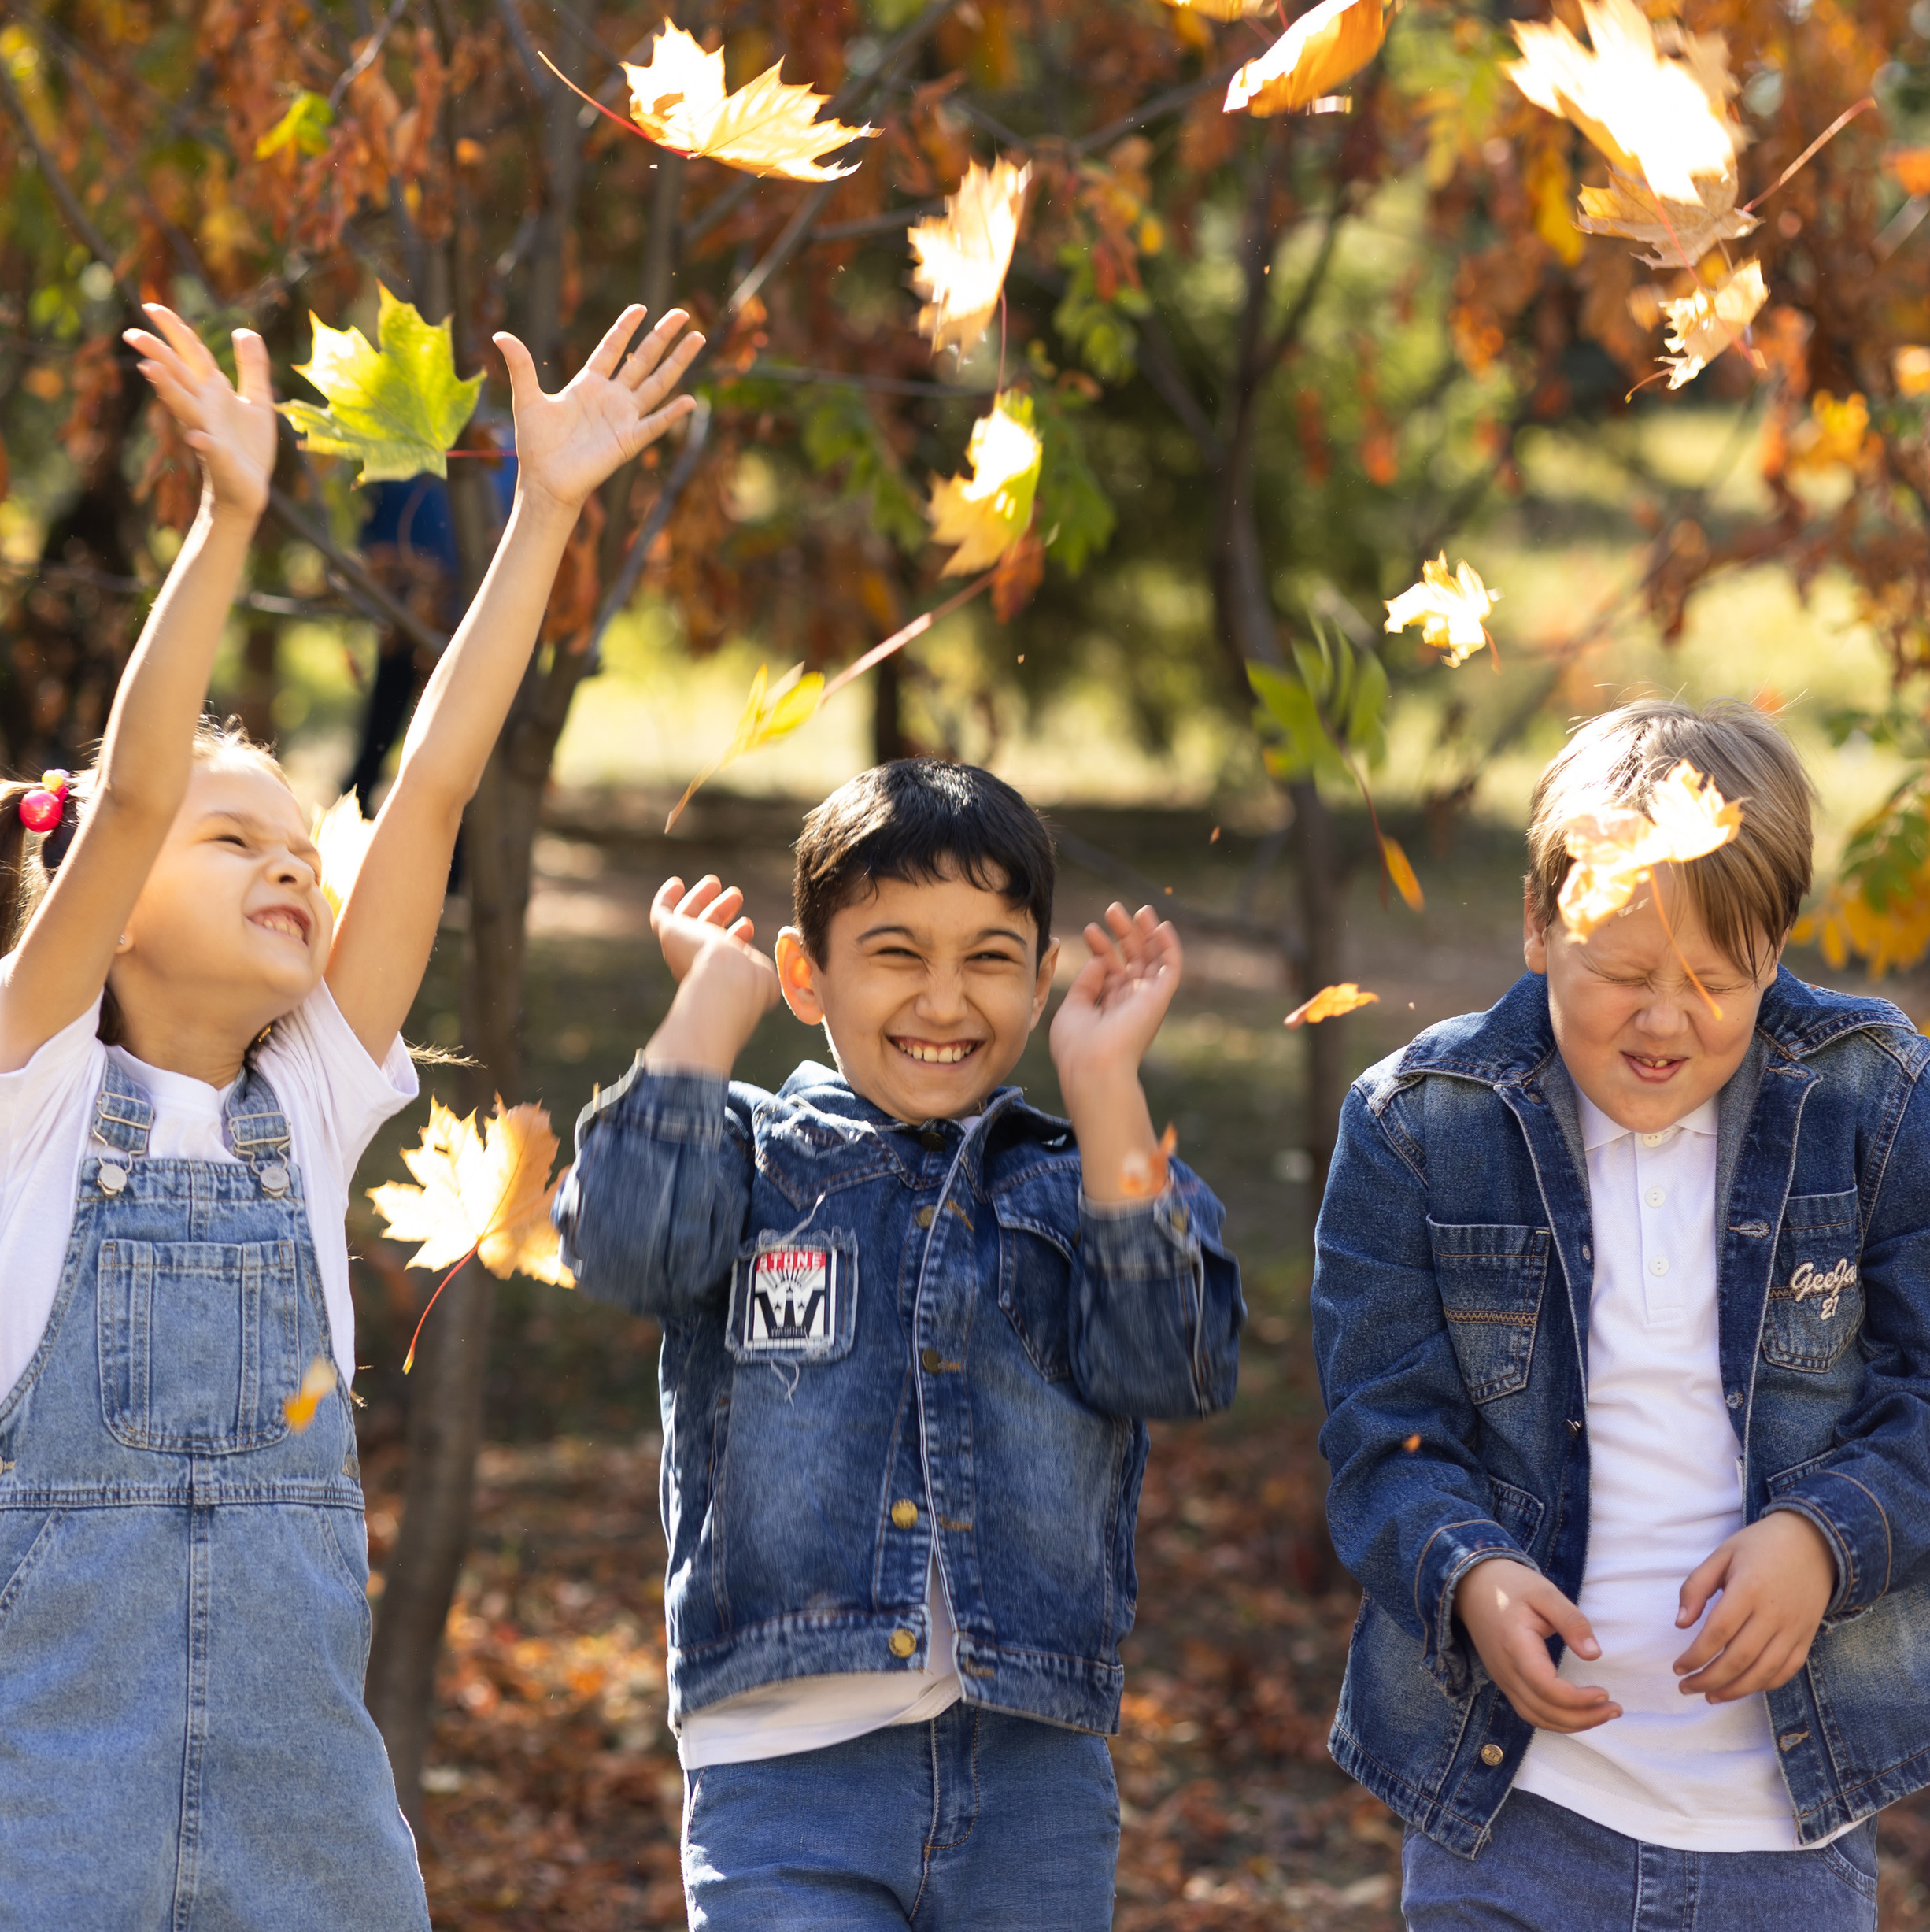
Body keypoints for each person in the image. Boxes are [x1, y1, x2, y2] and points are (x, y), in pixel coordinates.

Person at [0, 294, 704, 1931]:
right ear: (109, 902)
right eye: (236, 842)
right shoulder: (32, 1085)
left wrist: (548, 509)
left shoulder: (314, 1098)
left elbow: (429, 787)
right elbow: (132, 793)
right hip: (55, 1829)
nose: (289, 861)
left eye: (294, 843)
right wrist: (225, 522)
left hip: (310, 1833)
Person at [552, 761, 1244, 1931]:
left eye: (987, 956)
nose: (943, 998)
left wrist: (1103, 1083)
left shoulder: (1078, 1185)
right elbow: (622, 1245)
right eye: (895, 953)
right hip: (786, 1776)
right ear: (806, 974)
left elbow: (1172, 1363)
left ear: (1040, 981)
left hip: (1033, 1773)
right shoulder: (755, 1162)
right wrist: (709, 1010)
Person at [1313, 698, 1930, 1930]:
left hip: (1785, 1832)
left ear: (1776, 951)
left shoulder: (1874, 1100)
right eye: (1626, 973)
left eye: (1717, 979)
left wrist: (1825, 1538)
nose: (1667, 1019)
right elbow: (1384, 1440)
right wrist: (1470, 1574)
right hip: (1511, 1818)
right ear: (1542, 924)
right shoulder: (1420, 1126)